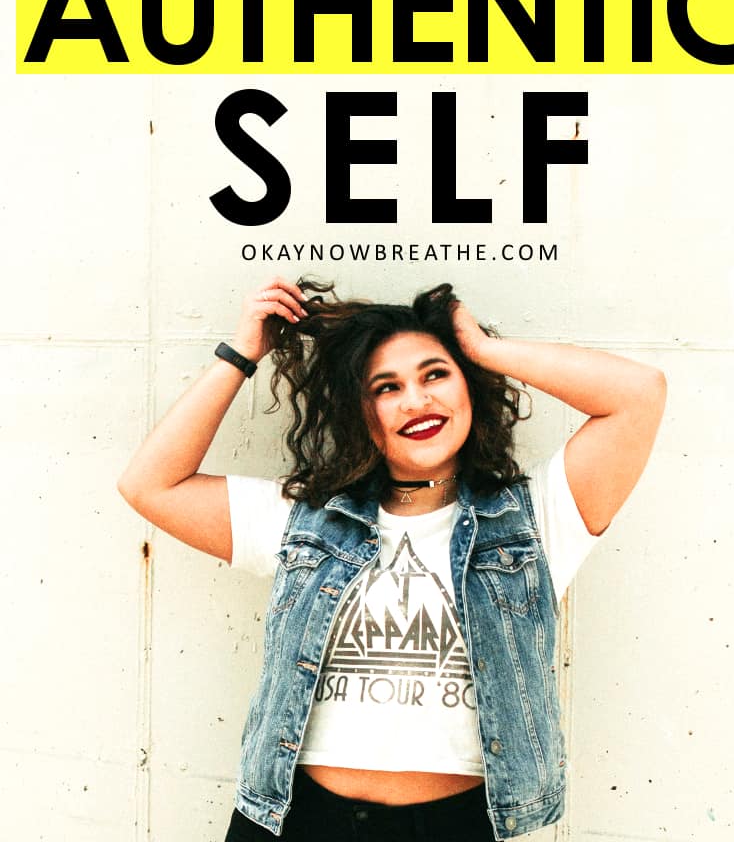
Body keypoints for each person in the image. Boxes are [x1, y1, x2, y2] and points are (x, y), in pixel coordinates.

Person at [118, 276, 666, 842]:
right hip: (295, 821)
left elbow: (638, 396)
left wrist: (482, 349)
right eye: (386, 387)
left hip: (453, 828)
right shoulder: (306, 520)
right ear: (361, 414)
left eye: (435, 374)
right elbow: (151, 485)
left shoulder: (534, 522)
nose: (416, 400)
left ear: (468, 387)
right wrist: (241, 354)